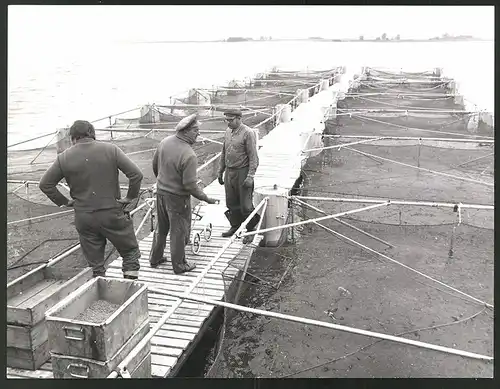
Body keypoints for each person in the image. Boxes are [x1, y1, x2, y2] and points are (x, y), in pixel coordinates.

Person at [39, 120, 143, 279]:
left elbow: (45, 184)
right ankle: (130, 287)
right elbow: (136, 175)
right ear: (92, 134)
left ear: (73, 138)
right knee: (129, 252)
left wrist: (64, 201)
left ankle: (99, 289)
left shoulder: (64, 157)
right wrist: (130, 197)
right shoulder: (111, 150)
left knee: (95, 264)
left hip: (84, 217)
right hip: (112, 213)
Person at [149, 113, 218, 273]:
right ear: (185, 131)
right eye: (196, 130)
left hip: (161, 193)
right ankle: (179, 265)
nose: (198, 134)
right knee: (178, 231)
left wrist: (163, 182)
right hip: (178, 199)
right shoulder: (189, 154)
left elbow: (155, 165)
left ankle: (155, 258)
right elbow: (190, 186)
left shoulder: (164, 142)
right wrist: (206, 198)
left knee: (161, 228)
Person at [218, 108, 260, 243]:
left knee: (246, 205)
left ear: (239, 118)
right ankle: (234, 226)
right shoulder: (227, 131)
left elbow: (253, 157)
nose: (228, 123)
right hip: (230, 172)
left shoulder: (248, 133)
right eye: (226, 120)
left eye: (230, 120)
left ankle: (251, 229)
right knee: (231, 202)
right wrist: (220, 171)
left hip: (243, 171)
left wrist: (250, 176)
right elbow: (224, 152)